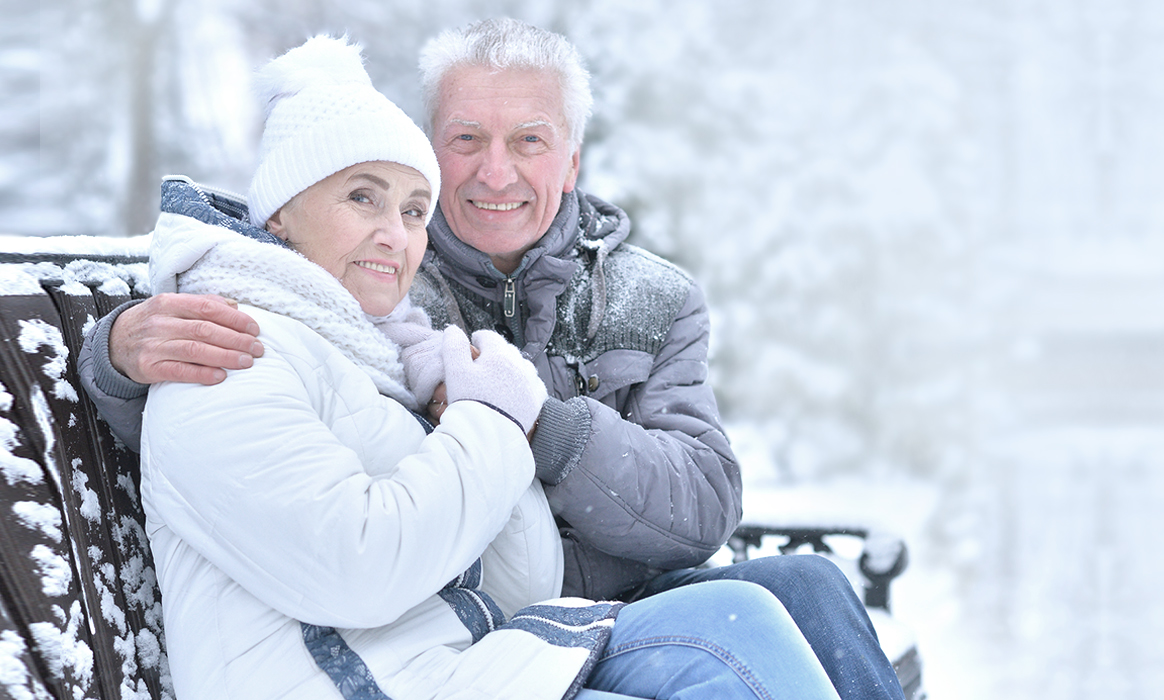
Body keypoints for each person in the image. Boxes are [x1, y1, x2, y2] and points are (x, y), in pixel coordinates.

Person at [78, 18, 905, 700]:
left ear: (572, 160)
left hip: (600, 605)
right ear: (433, 150)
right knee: (743, 630)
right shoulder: (382, 285)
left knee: (810, 592)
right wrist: (113, 353)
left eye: (530, 140)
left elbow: (703, 505)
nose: (496, 170)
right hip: (471, 625)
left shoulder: (652, 299)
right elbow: (235, 390)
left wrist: (543, 423)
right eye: (466, 139)